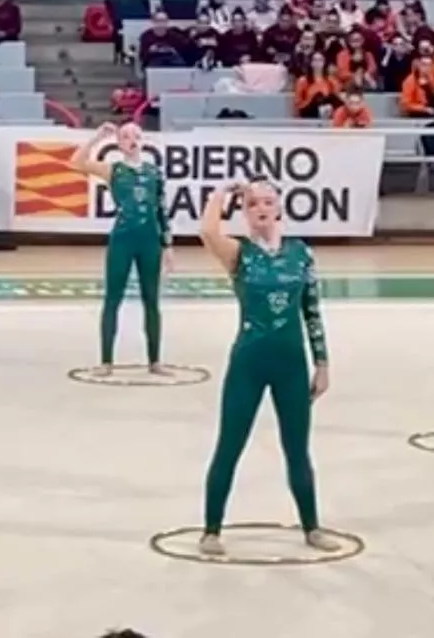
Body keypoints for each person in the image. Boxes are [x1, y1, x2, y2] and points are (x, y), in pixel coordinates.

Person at [195, 179, 337, 556]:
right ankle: (211, 529)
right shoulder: (239, 253)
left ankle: (312, 526)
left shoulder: (300, 253)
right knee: (230, 444)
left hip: (291, 362)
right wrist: (223, 192)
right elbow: (208, 230)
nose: (260, 208)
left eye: (267, 201)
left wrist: (322, 363)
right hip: (249, 362)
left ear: (279, 207)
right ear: (244, 211)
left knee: (297, 448)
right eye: (252, 203)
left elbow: (311, 311)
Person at [69, 121, 173, 377]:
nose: (131, 140)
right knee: (113, 298)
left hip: (150, 240)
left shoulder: (154, 172)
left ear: (143, 139)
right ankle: (106, 360)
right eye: (125, 136)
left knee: (152, 300)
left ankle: (155, 360)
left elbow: (161, 210)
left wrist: (168, 245)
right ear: (119, 143)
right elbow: (77, 162)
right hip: (123, 239)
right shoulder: (113, 170)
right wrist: (96, 138)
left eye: (136, 135)